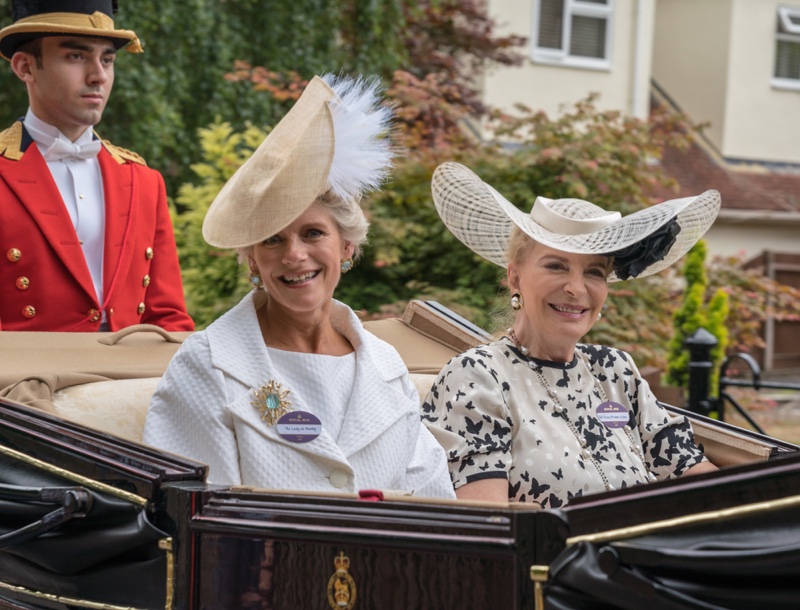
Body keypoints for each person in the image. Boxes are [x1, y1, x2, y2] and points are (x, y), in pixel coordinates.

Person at [144, 74, 455, 499]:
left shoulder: (386, 367)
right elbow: (201, 522)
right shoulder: (207, 365)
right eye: (272, 238)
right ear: (252, 258)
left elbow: (436, 503)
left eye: (312, 234)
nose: (293, 255)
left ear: (346, 247)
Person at [422, 162, 721, 507]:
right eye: (556, 266)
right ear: (515, 278)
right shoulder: (477, 377)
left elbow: (693, 471)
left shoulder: (616, 371)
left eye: (594, 272)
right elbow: (488, 524)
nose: (576, 289)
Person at [0, 0, 193, 332]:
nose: (98, 76)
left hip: (127, 377)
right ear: (25, 67)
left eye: (107, 60)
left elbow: (167, 318)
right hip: (19, 378)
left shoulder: (144, 180)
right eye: (76, 56)